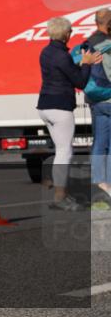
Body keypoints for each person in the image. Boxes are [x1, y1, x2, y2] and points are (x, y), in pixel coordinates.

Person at [38, 16, 103, 211]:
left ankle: (57, 186)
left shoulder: (46, 52)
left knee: (61, 151)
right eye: (70, 32)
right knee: (65, 152)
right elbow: (80, 82)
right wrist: (86, 63)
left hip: (44, 106)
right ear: (66, 34)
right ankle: (60, 196)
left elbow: (63, 74)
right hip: (60, 107)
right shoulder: (62, 56)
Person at [79, 8, 111, 205]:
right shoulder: (108, 43)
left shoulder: (88, 42)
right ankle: (106, 181)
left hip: (94, 98)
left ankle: (100, 181)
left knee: (100, 139)